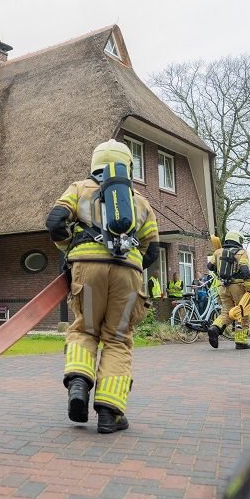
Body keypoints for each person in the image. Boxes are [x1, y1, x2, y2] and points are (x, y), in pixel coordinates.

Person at [46, 139, 159, 433]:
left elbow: (56, 221)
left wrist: (72, 249)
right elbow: (153, 251)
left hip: (88, 269)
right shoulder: (140, 202)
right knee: (117, 339)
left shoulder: (79, 189)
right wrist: (128, 268)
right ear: (129, 167)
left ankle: (79, 383)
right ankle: (110, 414)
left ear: (93, 165)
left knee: (85, 329)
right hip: (129, 275)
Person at [207, 231, 250, 349]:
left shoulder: (218, 252)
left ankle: (214, 328)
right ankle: (241, 342)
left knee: (226, 312)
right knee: (243, 312)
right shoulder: (242, 252)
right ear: (237, 239)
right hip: (238, 287)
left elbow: (210, 266)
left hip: (222, 287)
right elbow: (244, 269)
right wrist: (249, 286)